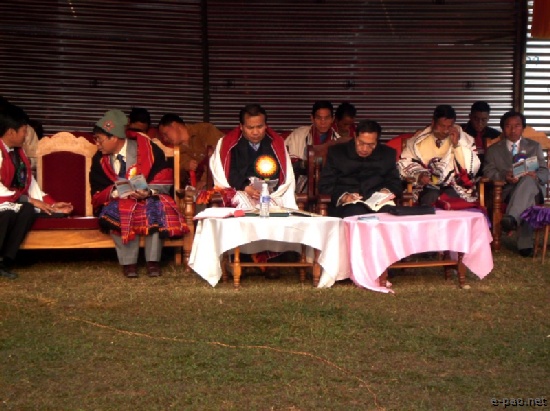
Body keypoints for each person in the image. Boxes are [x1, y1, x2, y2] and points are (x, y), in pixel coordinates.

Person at [89, 109, 188, 278]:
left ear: (114, 137)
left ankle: (153, 261)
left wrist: (147, 191)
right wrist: (116, 192)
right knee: (121, 208)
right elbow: (98, 189)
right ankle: (129, 263)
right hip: (118, 200)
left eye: (99, 139)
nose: (97, 144)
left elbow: (163, 177)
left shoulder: (148, 149)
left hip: (147, 197)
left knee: (157, 206)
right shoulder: (99, 159)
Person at [0, 105, 73, 279]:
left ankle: (6, 260)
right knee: (10, 212)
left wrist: (51, 205)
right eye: (24, 131)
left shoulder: (19, 153)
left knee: (26, 210)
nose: (26, 136)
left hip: (13, 201)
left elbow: (29, 183)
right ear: (10, 132)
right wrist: (29, 200)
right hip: (3, 202)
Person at [483, 110, 549, 257]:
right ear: (503, 128)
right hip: (507, 190)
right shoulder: (494, 150)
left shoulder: (534, 146)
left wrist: (536, 175)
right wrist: (504, 176)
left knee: (528, 181)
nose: (513, 130)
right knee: (526, 196)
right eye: (508, 126)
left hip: (534, 188)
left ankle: (512, 218)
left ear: (523, 128)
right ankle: (524, 244)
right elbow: (488, 171)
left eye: (517, 126)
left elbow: (545, 172)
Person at [210, 103, 297, 210]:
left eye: (260, 127)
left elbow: (282, 174)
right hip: (240, 190)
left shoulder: (275, 144)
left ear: (266, 126)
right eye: (250, 128)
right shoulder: (230, 145)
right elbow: (229, 173)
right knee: (240, 203)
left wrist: (265, 188)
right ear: (241, 127)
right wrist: (246, 187)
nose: (255, 132)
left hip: (271, 192)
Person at [398, 104, 480, 207]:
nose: (445, 131)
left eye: (449, 126)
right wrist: (419, 175)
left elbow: (470, 169)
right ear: (433, 123)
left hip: (454, 185)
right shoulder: (418, 141)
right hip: (426, 186)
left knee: (453, 198)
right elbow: (405, 162)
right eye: (442, 126)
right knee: (431, 195)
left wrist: (457, 145)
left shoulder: (465, 140)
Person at [318, 119, 402, 218]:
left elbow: (395, 182)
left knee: (390, 214)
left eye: (371, 145)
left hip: (377, 203)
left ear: (377, 141)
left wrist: (386, 191)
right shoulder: (337, 153)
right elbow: (325, 185)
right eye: (361, 143)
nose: (365, 149)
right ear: (355, 136)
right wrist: (343, 197)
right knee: (357, 212)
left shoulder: (387, 154)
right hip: (348, 205)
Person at [158, 113, 224, 190]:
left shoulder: (204, 130)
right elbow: (178, 170)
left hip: (222, 177)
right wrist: (185, 165)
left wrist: (204, 180)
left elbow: (218, 153)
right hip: (198, 187)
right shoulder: (176, 150)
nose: (165, 139)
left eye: (165, 134)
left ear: (175, 125)